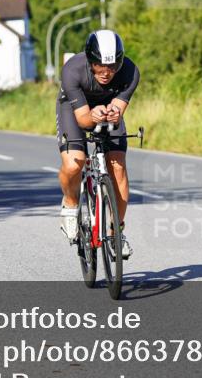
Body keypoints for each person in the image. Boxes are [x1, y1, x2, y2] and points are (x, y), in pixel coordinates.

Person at [55, 29, 140, 257]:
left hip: (105, 105)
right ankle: (71, 204)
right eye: (100, 66)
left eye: (112, 67)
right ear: (90, 60)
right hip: (75, 108)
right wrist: (93, 114)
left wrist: (113, 113)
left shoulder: (130, 72)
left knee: (118, 168)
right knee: (75, 163)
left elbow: (119, 109)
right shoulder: (72, 70)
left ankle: (116, 232)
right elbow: (83, 119)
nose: (106, 73)